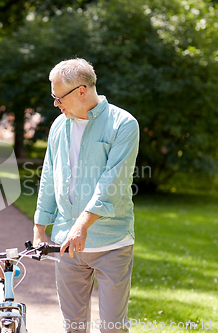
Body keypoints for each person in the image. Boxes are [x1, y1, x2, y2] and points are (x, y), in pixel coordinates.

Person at [33, 58, 140, 333]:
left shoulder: (123, 124)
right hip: (66, 245)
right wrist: (39, 227)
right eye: (53, 98)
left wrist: (81, 226)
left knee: (113, 328)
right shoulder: (59, 126)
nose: (56, 104)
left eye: (59, 98)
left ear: (81, 90)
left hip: (111, 242)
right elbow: (49, 176)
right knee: (74, 328)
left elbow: (112, 182)